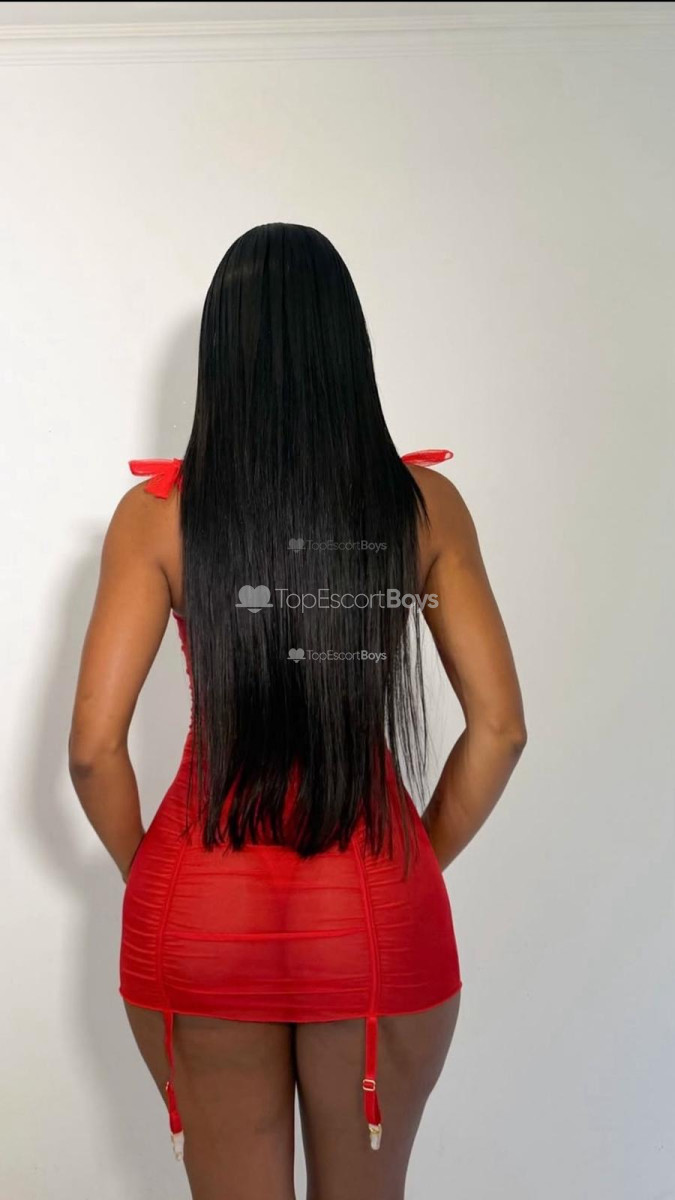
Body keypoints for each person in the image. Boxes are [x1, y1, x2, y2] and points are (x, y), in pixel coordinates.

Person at [68, 222, 527, 1200]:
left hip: (200, 911)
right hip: (371, 910)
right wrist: (415, 857)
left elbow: (93, 750)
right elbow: (499, 728)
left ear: (221, 353)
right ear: (345, 346)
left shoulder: (157, 517)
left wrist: (152, 872)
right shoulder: (422, 506)